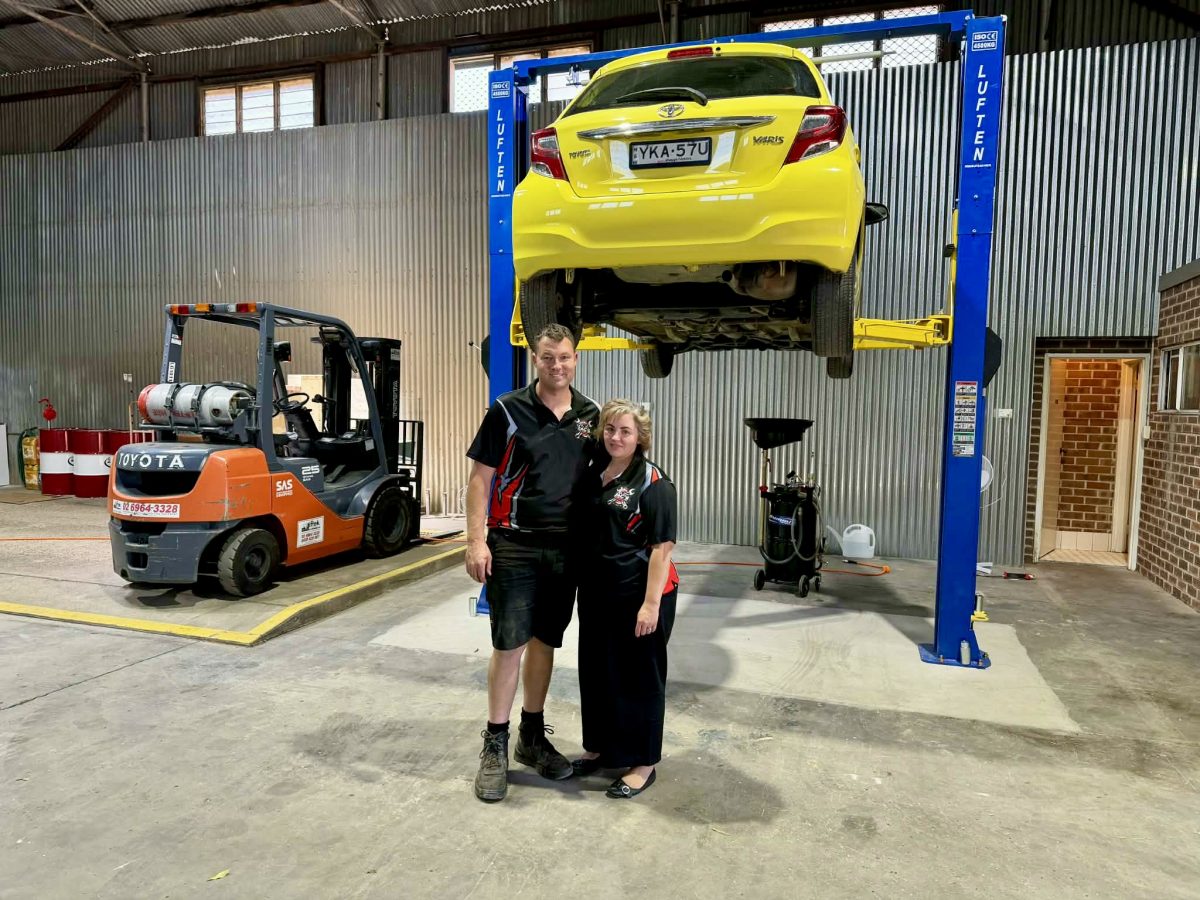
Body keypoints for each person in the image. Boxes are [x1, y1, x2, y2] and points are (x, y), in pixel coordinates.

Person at [465, 323, 600, 803]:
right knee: (510, 645)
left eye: (564, 357)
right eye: (547, 357)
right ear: (535, 359)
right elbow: (480, 479)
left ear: (576, 358)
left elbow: (605, 476)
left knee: (546, 642)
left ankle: (532, 736)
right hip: (514, 544)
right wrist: (476, 542)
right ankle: (495, 744)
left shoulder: (589, 415)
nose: (556, 365)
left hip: (565, 549)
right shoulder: (508, 409)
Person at [572, 399, 679, 799]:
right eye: (610, 429)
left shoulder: (653, 483)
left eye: (626, 431)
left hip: (640, 596)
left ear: (641, 438)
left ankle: (643, 762)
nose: (616, 437)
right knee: (598, 672)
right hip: (598, 595)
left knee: (640, 679)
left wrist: (650, 605)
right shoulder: (594, 474)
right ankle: (602, 748)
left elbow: (661, 549)